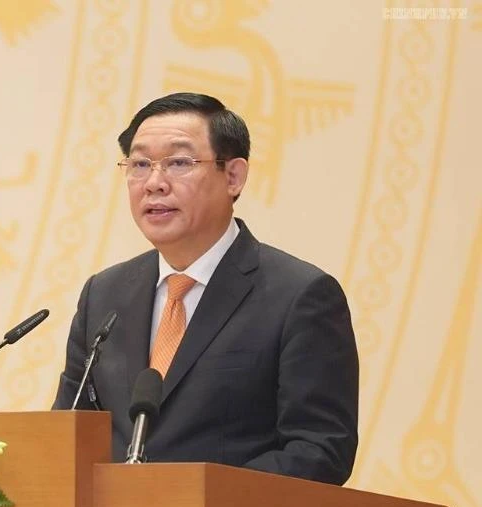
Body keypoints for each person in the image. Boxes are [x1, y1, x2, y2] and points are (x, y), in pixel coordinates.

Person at [51, 92, 359, 486]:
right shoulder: (104, 295)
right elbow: (68, 434)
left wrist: (193, 499)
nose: (154, 183)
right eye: (140, 164)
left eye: (179, 163)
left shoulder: (300, 296)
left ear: (233, 177)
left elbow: (320, 449)